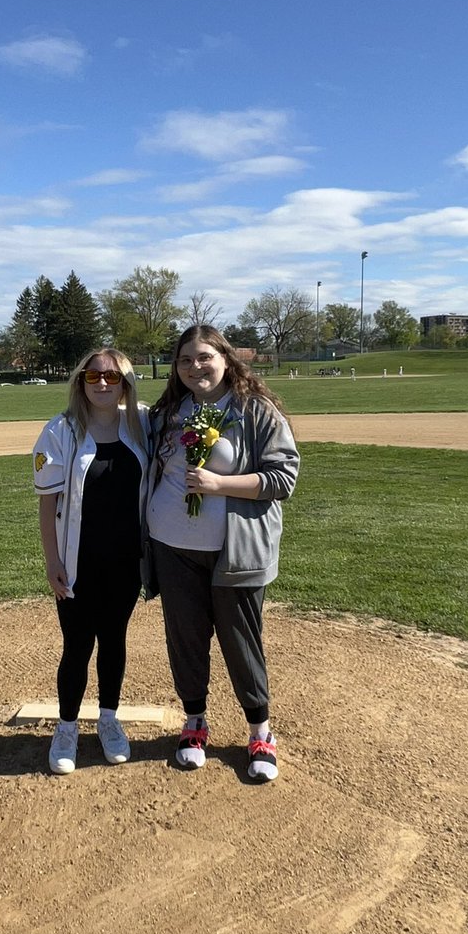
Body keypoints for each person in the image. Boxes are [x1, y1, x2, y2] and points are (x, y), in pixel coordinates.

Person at [145, 325, 300, 782]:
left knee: (240, 641)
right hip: (172, 547)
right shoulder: (170, 412)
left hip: (235, 552)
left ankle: (259, 732)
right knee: (186, 639)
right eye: (185, 360)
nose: (196, 367)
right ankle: (194, 723)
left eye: (205, 357)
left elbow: (282, 479)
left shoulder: (255, 411)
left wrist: (218, 484)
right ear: (176, 368)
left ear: (226, 359)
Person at [33, 349, 149, 775]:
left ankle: (107, 718)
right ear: (80, 381)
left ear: (126, 382)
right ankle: (66, 728)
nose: (102, 383)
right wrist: (52, 562)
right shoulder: (60, 430)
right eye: (93, 375)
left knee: (114, 640)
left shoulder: (142, 423)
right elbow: (47, 506)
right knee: (77, 645)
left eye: (113, 376)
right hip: (77, 563)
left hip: (125, 562)